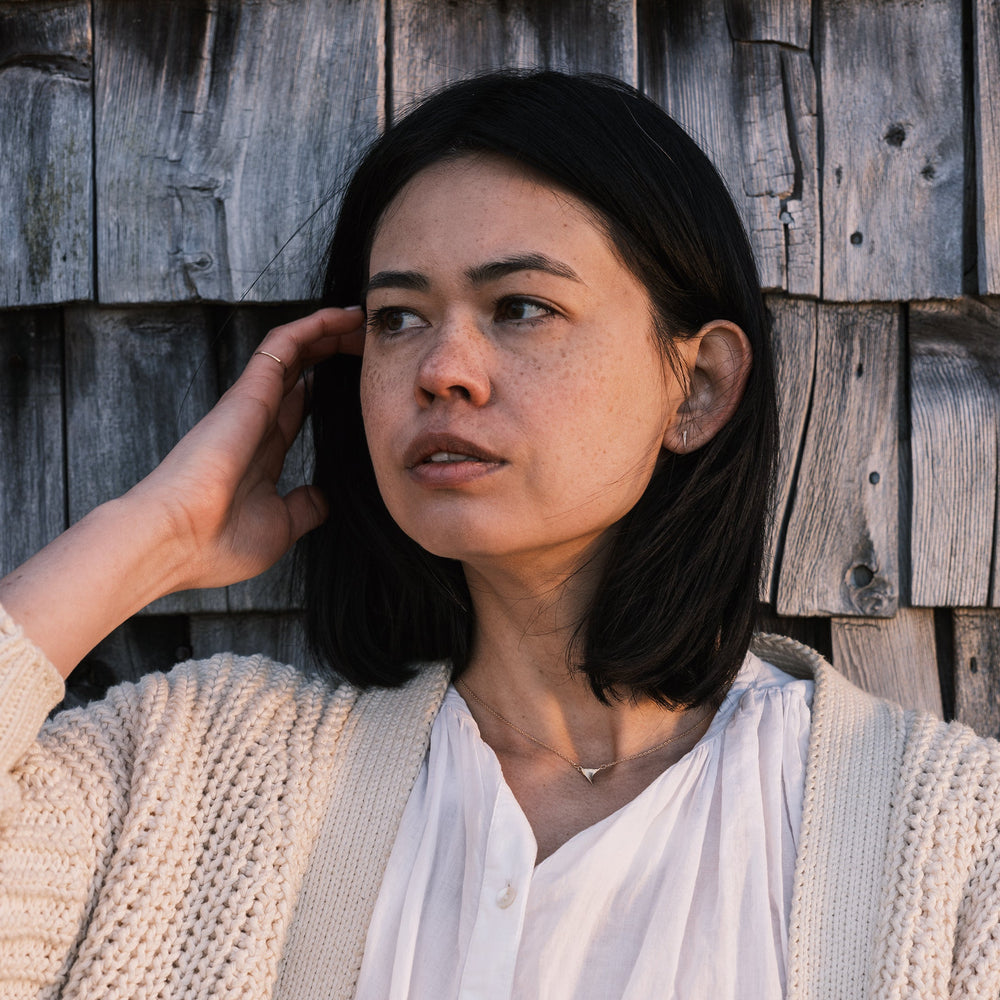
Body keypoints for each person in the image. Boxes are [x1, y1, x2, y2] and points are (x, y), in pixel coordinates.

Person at [1, 71, 999, 1000]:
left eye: (522, 307)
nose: (442, 368)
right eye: (397, 317)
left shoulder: (954, 848)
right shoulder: (188, 775)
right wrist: (149, 537)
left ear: (695, 386)